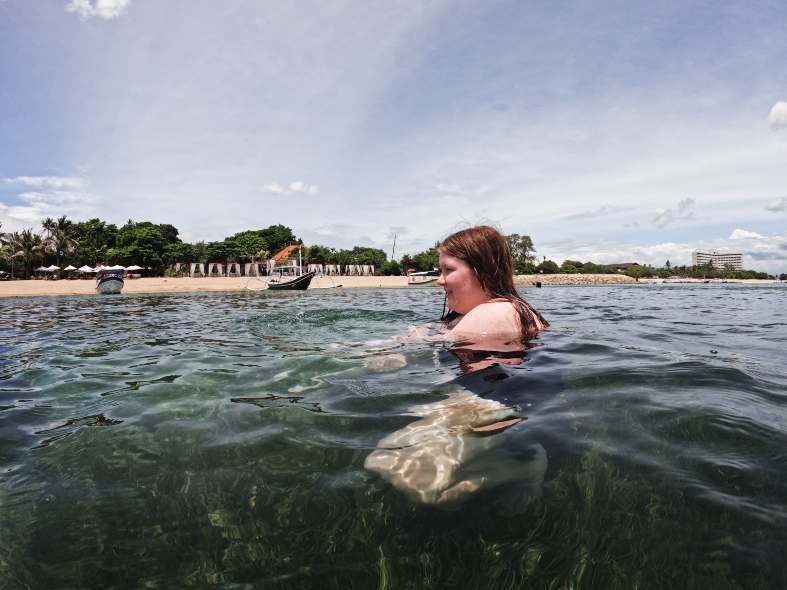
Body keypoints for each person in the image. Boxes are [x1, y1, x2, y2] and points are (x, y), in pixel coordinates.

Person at [438, 225, 548, 341]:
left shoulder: (493, 313)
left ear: (482, 271)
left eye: (449, 269)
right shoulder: (466, 316)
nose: (439, 280)